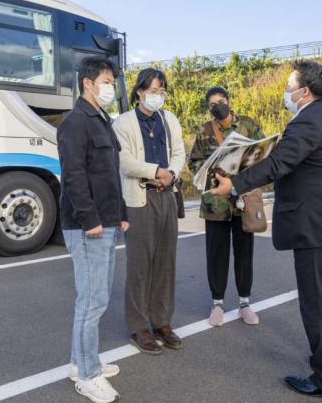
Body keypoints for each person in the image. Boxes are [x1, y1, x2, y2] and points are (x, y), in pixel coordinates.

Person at [210, 61, 322, 401]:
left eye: (289, 84)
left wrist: (235, 184)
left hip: (316, 229)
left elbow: (279, 164)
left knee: (318, 304)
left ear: (304, 91)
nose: (286, 90)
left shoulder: (306, 121)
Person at [57, 56, 129, 403]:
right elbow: (73, 176)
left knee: (95, 298)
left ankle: (80, 361)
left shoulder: (102, 120)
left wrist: (121, 213)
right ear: (88, 83)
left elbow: (109, 175)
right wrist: (91, 220)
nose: (110, 87)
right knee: (92, 301)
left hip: (107, 221)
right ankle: (88, 375)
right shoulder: (75, 122)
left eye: (112, 82)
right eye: (106, 81)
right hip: (89, 226)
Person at [112, 68, 186, 355]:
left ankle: (162, 322)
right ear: (140, 91)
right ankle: (138, 327)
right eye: (153, 90)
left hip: (167, 195)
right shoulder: (124, 123)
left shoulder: (169, 120)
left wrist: (172, 174)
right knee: (140, 265)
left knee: (166, 263)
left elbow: (178, 152)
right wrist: (154, 171)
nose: (158, 96)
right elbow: (124, 161)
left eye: (162, 91)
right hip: (139, 199)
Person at [188, 86, 264, 327]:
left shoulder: (248, 125)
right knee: (216, 254)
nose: (217, 106)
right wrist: (212, 172)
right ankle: (217, 303)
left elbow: (263, 154)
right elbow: (194, 163)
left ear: (229, 102)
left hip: (242, 200)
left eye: (221, 101)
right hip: (216, 202)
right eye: (212, 104)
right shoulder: (203, 132)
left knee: (244, 253)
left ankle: (244, 303)